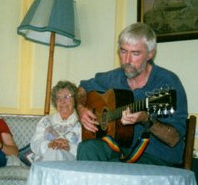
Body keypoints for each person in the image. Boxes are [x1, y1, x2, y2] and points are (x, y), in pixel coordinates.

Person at [76, 22, 188, 167]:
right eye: (123, 52)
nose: (127, 61)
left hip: (156, 157)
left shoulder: (168, 83)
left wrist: (146, 120)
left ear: (150, 53)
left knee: (116, 167)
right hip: (119, 150)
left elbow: (173, 139)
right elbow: (82, 88)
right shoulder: (114, 77)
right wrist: (80, 108)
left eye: (135, 53)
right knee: (87, 148)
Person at [9, 80, 82, 185]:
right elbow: (35, 144)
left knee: (57, 151)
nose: (62, 101)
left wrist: (67, 146)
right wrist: (50, 144)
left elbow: (85, 149)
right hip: (46, 157)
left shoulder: (82, 122)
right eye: (58, 98)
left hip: (71, 162)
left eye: (67, 97)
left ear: (75, 100)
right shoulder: (46, 121)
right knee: (53, 150)